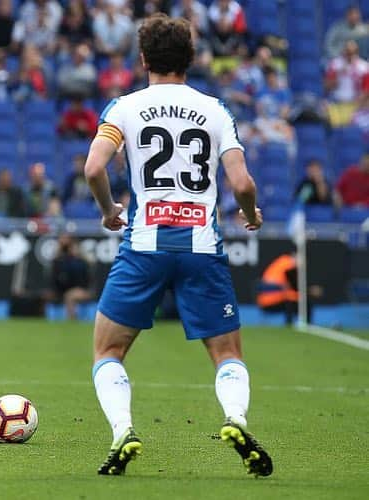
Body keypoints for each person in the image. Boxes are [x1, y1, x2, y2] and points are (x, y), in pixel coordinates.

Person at [83, 14, 272, 476]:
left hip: (144, 244)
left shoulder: (124, 108)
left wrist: (110, 210)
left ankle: (123, 430)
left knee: (108, 351)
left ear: (144, 58)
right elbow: (242, 183)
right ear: (190, 58)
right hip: (202, 247)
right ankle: (235, 419)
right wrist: (249, 215)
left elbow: (93, 169)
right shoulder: (215, 110)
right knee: (227, 354)